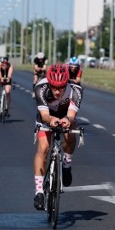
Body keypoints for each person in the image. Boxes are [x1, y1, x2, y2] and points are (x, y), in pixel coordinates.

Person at [32, 64, 83, 210]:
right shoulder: (40, 88)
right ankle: (39, 192)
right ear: (49, 82)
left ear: (66, 83)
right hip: (46, 117)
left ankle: (66, 163)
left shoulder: (76, 90)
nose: (57, 91)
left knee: (71, 133)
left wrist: (67, 120)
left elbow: (71, 116)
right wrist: (50, 120)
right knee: (43, 148)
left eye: (61, 88)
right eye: (53, 87)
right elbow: (45, 115)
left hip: (66, 114)